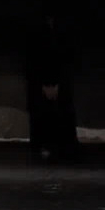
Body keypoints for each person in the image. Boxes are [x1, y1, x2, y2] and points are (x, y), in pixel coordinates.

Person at [25, 9, 80, 163]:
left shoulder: (63, 32)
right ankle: (44, 147)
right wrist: (43, 84)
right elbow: (32, 59)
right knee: (41, 114)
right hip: (40, 81)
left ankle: (61, 148)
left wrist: (58, 84)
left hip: (58, 81)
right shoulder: (35, 32)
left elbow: (67, 59)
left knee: (61, 113)